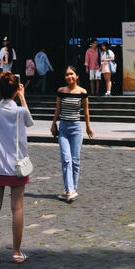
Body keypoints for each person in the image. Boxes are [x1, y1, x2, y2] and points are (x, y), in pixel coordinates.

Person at [0, 72, 33, 264]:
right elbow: (30, 121)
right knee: (17, 208)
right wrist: (22, 97)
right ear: (15, 90)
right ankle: (17, 252)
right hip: (17, 165)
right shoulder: (20, 112)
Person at [50, 65, 94, 201]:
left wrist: (88, 126)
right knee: (66, 159)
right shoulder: (61, 91)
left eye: (71, 74)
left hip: (76, 128)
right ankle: (69, 189)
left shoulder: (82, 92)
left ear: (77, 76)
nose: (69, 77)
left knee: (75, 160)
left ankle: (72, 189)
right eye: (67, 74)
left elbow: (86, 110)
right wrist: (53, 124)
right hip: (63, 127)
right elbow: (58, 109)